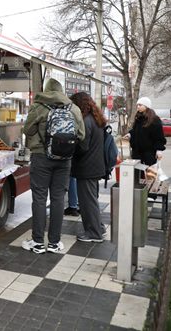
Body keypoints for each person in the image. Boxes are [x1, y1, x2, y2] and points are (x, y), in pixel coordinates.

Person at [22, 78, 85, 254]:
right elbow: (81, 135)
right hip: (64, 160)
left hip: (41, 158)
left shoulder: (38, 107)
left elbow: (27, 130)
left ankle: (38, 243)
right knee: (58, 199)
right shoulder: (73, 108)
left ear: (46, 90)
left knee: (40, 198)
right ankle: (55, 242)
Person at [70, 92, 106, 243]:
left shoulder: (85, 121)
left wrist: (71, 146)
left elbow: (83, 147)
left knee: (87, 202)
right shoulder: (95, 119)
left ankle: (94, 233)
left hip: (86, 167)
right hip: (95, 166)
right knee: (91, 199)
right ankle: (99, 227)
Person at [123, 97, 166, 166]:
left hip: (149, 153)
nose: (138, 107)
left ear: (146, 106)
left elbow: (159, 136)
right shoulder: (138, 117)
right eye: (137, 105)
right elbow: (135, 130)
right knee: (137, 173)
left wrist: (159, 150)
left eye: (140, 105)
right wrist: (130, 134)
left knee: (149, 174)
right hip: (137, 152)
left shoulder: (154, 119)